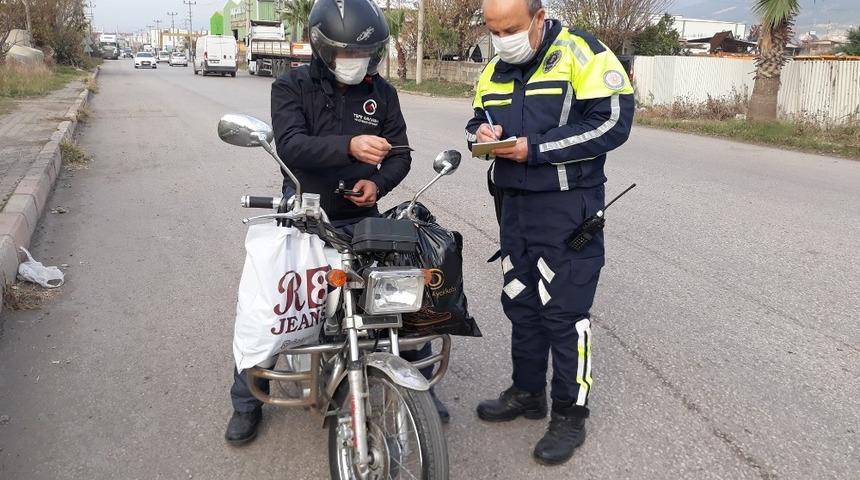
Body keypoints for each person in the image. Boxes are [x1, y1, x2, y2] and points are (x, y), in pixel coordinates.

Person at [225, 0, 448, 446]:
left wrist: (377, 187)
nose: (354, 63)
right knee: (269, 304)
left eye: (362, 55)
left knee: (403, 296)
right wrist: (350, 146)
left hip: (361, 215)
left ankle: (417, 382)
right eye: (345, 54)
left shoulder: (382, 92)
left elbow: (400, 155)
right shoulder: (291, 85)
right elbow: (291, 146)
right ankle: (247, 399)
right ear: (323, 49)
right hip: (304, 213)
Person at [464, 0, 634, 466]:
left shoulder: (583, 52)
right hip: (512, 208)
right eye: (494, 30)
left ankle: (569, 413)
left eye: (511, 28)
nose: (502, 39)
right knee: (521, 302)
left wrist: (534, 148)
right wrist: (480, 134)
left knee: (564, 311)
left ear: (539, 17)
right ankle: (526, 393)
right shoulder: (495, 68)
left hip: (567, 207)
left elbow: (614, 121)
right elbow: (475, 119)